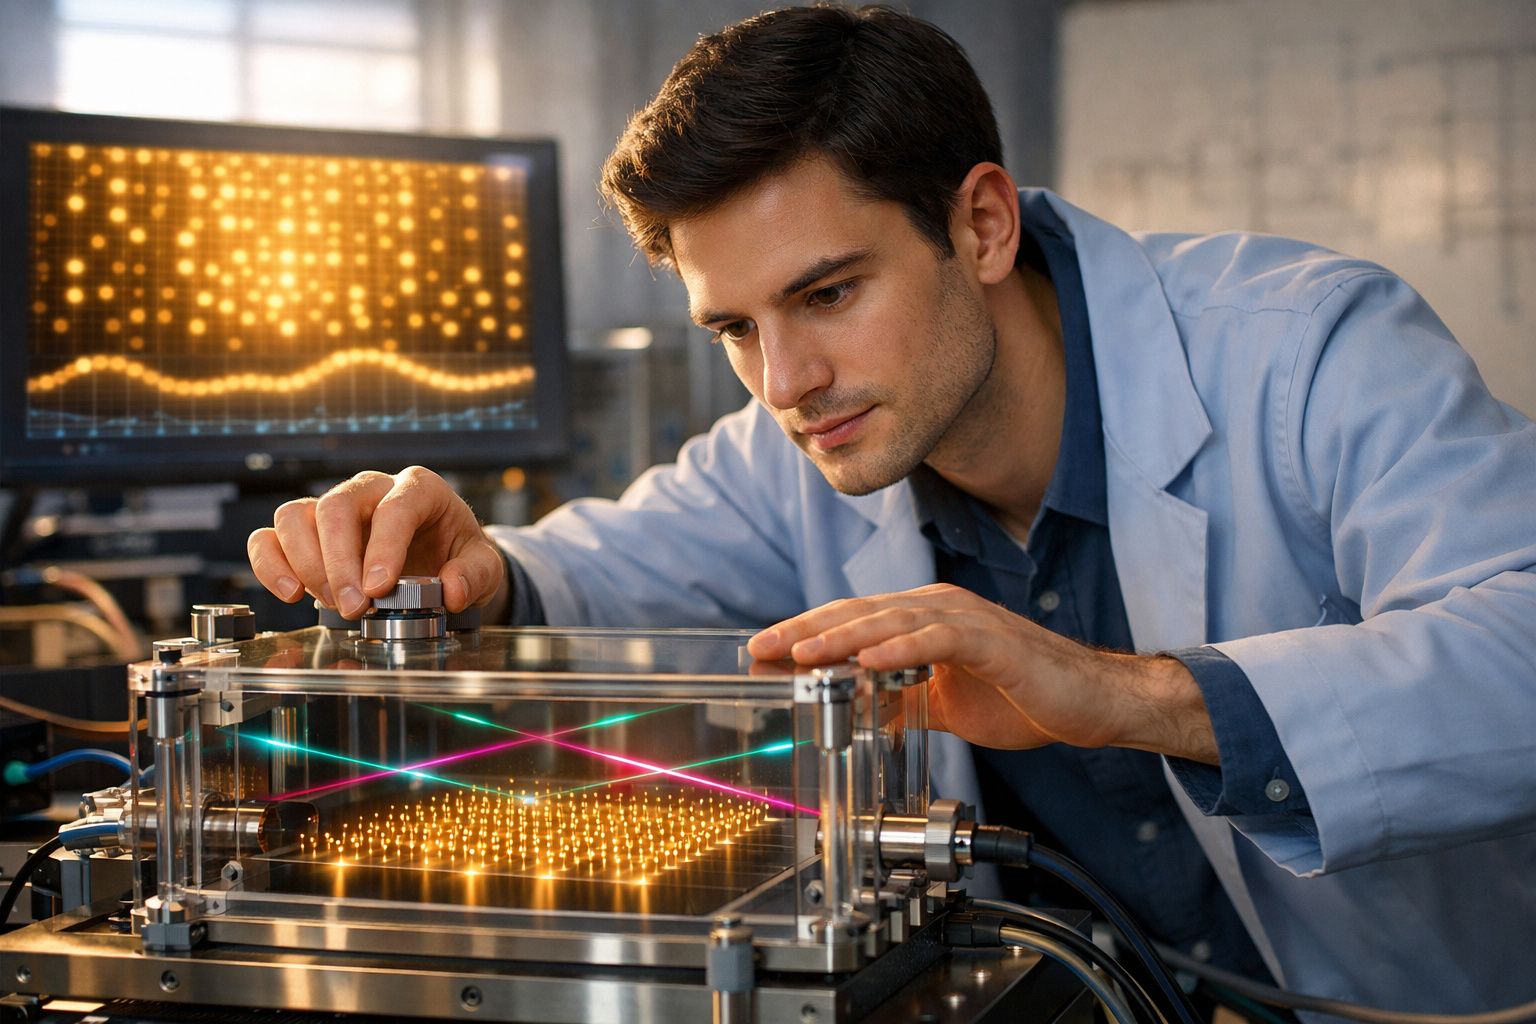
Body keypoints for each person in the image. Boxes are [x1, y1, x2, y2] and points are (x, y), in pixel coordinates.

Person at [246, 4, 1536, 1012]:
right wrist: (477, 570)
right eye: (735, 329)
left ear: (978, 223)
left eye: (827, 294)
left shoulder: (1308, 351)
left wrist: (1124, 694)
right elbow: (597, 568)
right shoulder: (799, 442)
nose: (787, 384)